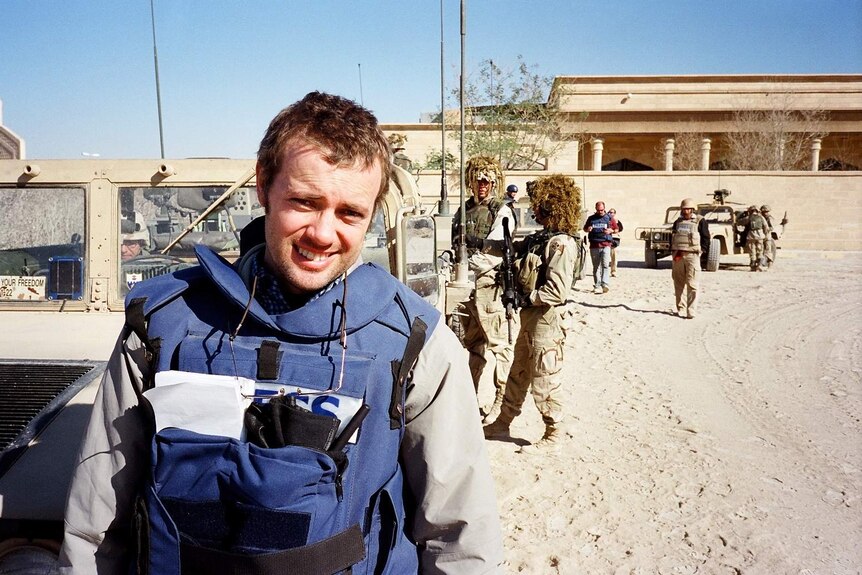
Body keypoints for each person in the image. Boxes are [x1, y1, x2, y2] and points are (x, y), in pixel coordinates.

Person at [60, 92, 503, 574]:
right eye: (304, 202)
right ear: (263, 186)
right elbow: (97, 518)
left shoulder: (415, 342)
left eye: (350, 213)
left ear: (372, 215)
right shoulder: (162, 324)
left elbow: (459, 531)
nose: (323, 233)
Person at [480, 174, 581, 454]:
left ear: (552, 206)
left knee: (544, 375)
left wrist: (528, 298)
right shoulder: (541, 239)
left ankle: (554, 433)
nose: (534, 210)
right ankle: (503, 423)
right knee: (519, 371)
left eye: (538, 205)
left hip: (547, 318)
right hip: (531, 317)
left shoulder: (560, 244)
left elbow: (557, 291)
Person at [451, 156, 518, 423]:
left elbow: (497, 251)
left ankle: (501, 403)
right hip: (465, 286)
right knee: (472, 346)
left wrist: (470, 265)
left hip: (488, 284)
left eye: (487, 181)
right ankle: (470, 400)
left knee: (500, 346)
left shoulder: (501, 211)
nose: (482, 186)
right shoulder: (462, 209)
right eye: (478, 180)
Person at [671, 198, 710, 319]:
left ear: (692, 209)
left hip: (692, 255)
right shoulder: (678, 222)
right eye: (684, 209)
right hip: (678, 255)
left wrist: (702, 251)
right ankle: (681, 308)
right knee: (678, 283)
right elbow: (673, 236)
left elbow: (706, 238)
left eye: (688, 209)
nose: (686, 211)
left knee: (692, 284)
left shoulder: (700, 221)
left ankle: (691, 310)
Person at [583, 201, 617, 294]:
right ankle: (597, 285)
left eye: (602, 210)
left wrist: (611, 230)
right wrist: (588, 229)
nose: (600, 212)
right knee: (596, 267)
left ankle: (605, 284)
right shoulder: (591, 218)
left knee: (605, 265)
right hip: (594, 245)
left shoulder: (609, 218)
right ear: (596, 209)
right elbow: (584, 228)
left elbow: (617, 229)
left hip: (606, 244)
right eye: (598, 210)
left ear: (604, 208)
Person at [738, 204, 769, 271]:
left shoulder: (749, 217)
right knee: (760, 251)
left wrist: (739, 217)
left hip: (751, 236)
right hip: (760, 236)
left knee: (752, 252)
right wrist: (765, 235)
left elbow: (740, 222)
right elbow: (766, 227)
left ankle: (753, 267)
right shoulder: (761, 217)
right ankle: (760, 265)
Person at [608, 208, 623, 277]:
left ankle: (613, 271)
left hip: (613, 240)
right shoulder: (606, 220)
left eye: (612, 212)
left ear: (614, 213)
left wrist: (613, 231)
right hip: (606, 240)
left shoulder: (617, 221)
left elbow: (620, 228)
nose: (611, 213)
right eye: (610, 212)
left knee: (614, 257)